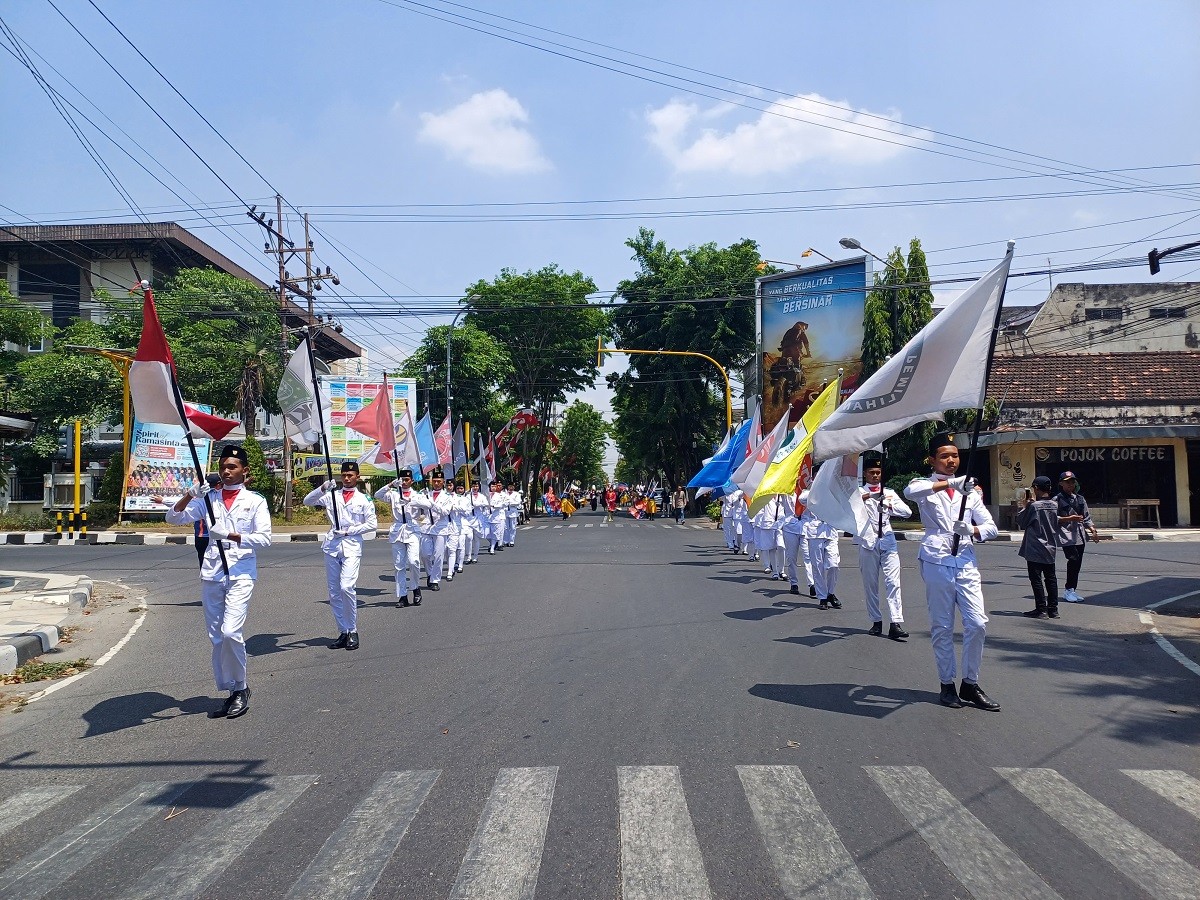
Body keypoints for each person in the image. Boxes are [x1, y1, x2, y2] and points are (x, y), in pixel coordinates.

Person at [165, 445, 271, 720]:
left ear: (244, 470)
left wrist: (231, 535)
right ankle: (232, 689)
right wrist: (189, 495)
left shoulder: (256, 501)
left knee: (230, 632)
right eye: (223, 466)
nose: (226, 471)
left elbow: (264, 538)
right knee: (215, 637)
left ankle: (242, 688)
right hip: (212, 571)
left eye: (232, 466)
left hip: (240, 572)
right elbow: (174, 517)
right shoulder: (209, 499)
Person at [904, 432, 1001, 711]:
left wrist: (971, 529)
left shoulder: (970, 493)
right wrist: (951, 484)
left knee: (978, 623)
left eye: (955, 455)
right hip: (936, 560)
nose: (951, 460)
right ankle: (947, 684)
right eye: (944, 456)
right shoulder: (922, 484)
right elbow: (911, 493)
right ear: (932, 460)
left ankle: (970, 684)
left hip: (966, 561)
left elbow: (991, 527)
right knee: (942, 626)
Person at [304, 461, 378, 650]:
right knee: (334, 593)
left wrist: (350, 531)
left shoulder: (364, 499)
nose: (346, 478)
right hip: (331, 546)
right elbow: (308, 501)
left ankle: (353, 630)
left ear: (357, 477)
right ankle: (343, 631)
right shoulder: (331, 496)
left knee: (347, 587)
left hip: (351, 546)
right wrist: (322, 488)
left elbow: (372, 524)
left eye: (350, 475)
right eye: (343, 475)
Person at [855, 453, 912, 640]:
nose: (875, 476)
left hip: (887, 541)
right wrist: (870, 497)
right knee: (870, 584)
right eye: (872, 472)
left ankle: (895, 622)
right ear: (865, 474)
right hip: (868, 542)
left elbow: (907, 512)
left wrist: (887, 505)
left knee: (893, 582)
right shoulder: (858, 492)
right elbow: (850, 508)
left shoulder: (889, 493)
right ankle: (876, 620)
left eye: (878, 472)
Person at [374, 468, 423, 607]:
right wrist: (390, 485)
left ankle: (415, 587)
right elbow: (377, 495)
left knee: (414, 561)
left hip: (412, 529)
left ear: (412, 481)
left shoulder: (417, 495)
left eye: (407, 480)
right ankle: (402, 596)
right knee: (399, 565)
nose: (404, 482)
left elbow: (426, 506)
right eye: (402, 480)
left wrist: (409, 501)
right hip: (397, 530)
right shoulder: (394, 495)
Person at [1017, 475, 1061, 619]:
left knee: (1036, 579)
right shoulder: (1054, 505)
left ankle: (1041, 609)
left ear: (1036, 488)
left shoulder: (1035, 506)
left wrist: (1025, 506)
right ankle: (1053, 609)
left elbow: (1022, 523)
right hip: (1050, 546)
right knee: (1051, 578)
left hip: (1035, 546)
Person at [1055, 471, 1099, 602]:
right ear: (1061, 483)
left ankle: (1072, 590)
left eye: (1072, 482)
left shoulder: (1080, 499)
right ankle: (1068, 589)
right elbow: (1052, 518)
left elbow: (1086, 517)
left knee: (1077, 563)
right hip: (1066, 534)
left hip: (1079, 535)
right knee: (1073, 559)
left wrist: (1093, 530)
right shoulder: (1056, 500)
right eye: (1067, 482)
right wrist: (1069, 518)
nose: (1070, 484)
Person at [411, 468, 455, 589]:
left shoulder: (448, 497)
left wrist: (431, 504)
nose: (436, 483)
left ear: (443, 482)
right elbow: (415, 505)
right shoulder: (426, 494)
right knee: (425, 554)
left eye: (439, 481)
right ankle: (430, 574)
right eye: (434, 481)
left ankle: (435, 580)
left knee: (438, 555)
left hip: (441, 528)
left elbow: (445, 512)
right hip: (426, 527)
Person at [800, 498, 841, 609]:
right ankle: (822, 597)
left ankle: (830, 593)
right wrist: (816, 489)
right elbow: (802, 499)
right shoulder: (810, 493)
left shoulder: (832, 491)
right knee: (818, 566)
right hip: (814, 533)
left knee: (834, 565)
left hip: (830, 531)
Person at [502, 481, 522, 547]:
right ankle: (506, 541)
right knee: (505, 527)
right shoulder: (504, 494)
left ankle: (511, 541)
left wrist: (510, 503)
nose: (511, 488)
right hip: (505, 512)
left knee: (513, 527)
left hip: (513, 511)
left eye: (512, 486)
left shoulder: (516, 494)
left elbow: (518, 502)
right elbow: (503, 502)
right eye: (509, 486)